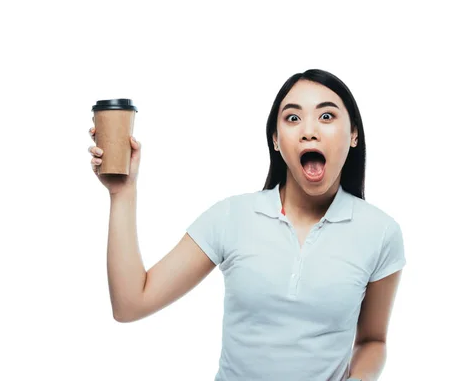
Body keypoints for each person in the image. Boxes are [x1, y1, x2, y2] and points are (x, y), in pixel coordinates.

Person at [87, 69, 406, 381]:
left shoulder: (380, 233)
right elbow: (130, 304)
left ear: (354, 135)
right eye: (293, 118)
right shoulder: (231, 217)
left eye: (326, 116)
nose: (309, 131)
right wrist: (122, 193)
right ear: (276, 140)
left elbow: (372, 341)